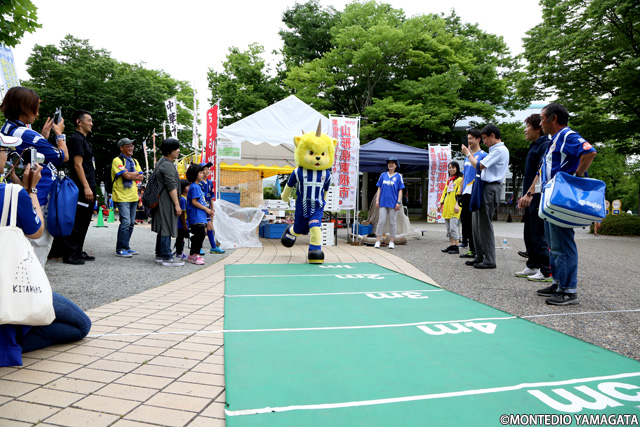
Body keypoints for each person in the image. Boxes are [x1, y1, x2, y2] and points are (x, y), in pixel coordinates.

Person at [0, 134, 91, 367]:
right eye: (4, 151)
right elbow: (37, 230)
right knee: (81, 325)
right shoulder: (11, 194)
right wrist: (31, 190)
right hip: (11, 283)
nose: (8, 157)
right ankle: (12, 343)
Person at [520, 103, 597, 305]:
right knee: (553, 244)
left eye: (542, 118)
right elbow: (542, 170)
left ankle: (568, 290)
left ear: (553, 118)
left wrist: (576, 176)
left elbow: (589, 151)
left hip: (561, 199)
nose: (540, 123)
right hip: (551, 199)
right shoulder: (554, 140)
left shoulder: (567, 135)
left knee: (563, 243)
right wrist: (531, 192)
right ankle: (558, 283)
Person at [0, 86, 68, 266]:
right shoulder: (27, 134)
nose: (37, 114)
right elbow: (62, 156)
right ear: (25, 108)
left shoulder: (6, 129)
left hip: (17, 190)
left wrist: (42, 137)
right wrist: (60, 134)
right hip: (37, 193)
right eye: (35, 108)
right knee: (38, 246)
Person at [461, 124, 510, 269]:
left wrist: (468, 154)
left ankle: (489, 259)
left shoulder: (500, 150)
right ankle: (479, 256)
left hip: (490, 187)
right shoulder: (494, 151)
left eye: (484, 138)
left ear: (492, 136)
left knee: (484, 226)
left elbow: (479, 166)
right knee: (476, 225)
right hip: (483, 186)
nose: (484, 141)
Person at [515, 114, 552, 282]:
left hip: (538, 195)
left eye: (528, 126)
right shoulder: (535, 145)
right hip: (530, 196)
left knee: (538, 233)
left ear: (538, 129)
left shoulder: (545, 145)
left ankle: (546, 270)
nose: (525, 130)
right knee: (529, 233)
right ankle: (533, 265)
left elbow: (542, 171)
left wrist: (530, 193)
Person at [62, 110, 96, 265]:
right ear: (79, 122)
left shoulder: (84, 140)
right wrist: (86, 186)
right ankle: (70, 253)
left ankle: (78, 251)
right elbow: (77, 165)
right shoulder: (76, 139)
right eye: (89, 120)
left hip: (89, 184)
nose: (91, 123)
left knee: (85, 220)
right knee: (78, 220)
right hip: (82, 186)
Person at [152, 138, 184, 267]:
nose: (178, 151)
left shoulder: (161, 162)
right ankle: (167, 257)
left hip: (161, 199)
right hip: (166, 200)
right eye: (176, 148)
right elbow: (171, 186)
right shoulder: (167, 165)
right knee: (166, 226)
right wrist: (177, 204)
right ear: (169, 151)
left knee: (162, 226)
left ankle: (160, 255)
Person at [111, 138, 143, 258]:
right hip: (121, 196)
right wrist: (132, 174)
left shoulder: (134, 161)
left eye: (132, 146)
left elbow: (141, 177)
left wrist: (129, 174)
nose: (131, 148)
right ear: (121, 148)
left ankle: (126, 246)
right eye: (128, 146)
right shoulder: (117, 160)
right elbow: (125, 175)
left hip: (134, 196)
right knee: (125, 222)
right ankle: (120, 248)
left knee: (131, 224)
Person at [459, 129, 487, 259]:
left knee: (475, 222)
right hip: (465, 193)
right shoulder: (467, 157)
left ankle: (478, 250)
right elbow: (464, 175)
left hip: (475, 192)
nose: (469, 141)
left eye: (471, 138)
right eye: (468, 138)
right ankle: (471, 249)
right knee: (466, 222)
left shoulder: (483, 155)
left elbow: (481, 170)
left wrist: (469, 154)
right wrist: (460, 193)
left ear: (478, 139)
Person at [373, 157, 404, 249]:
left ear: (396, 165)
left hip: (394, 203)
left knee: (393, 223)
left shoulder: (399, 176)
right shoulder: (383, 175)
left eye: (392, 163)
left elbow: (400, 190)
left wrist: (398, 202)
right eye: (389, 163)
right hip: (383, 202)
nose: (390, 165)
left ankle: (391, 242)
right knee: (381, 221)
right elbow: (379, 188)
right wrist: (377, 200)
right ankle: (377, 241)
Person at [199, 162, 225, 254]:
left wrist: (212, 209)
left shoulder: (210, 182)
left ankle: (213, 247)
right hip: (201, 208)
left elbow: (211, 197)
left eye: (208, 169)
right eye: (205, 169)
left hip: (208, 208)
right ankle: (199, 247)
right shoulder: (199, 183)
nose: (207, 171)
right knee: (201, 228)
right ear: (200, 171)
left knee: (210, 227)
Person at [438, 161, 463, 254]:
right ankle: (451, 245)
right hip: (447, 207)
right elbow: (444, 192)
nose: (451, 169)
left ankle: (456, 246)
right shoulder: (449, 180)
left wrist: (457, 204)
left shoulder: (460, 180)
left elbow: (460, 194)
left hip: (455, 207)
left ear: (457, 168)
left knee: (453, 228)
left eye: (453, 167)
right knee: (449, 229)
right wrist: (440, 203)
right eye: (449, 168)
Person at [186, 164, 209, 265]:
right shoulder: (195, 187)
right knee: (200, 235)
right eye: (200, 172)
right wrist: (206, 209)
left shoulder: (197, 186)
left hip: (199, 216)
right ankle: (196, 255)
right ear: (195, 175)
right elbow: (194, 202)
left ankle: (192, 255)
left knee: (198, 236)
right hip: (196, 216)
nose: (202, 174)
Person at [175, 179, 190, 260]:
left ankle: (180, 252)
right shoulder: (183, 199)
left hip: (181, 223)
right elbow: (183, 213)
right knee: (180, 238)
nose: (189, 188)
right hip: (181, 223)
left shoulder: (183, 198)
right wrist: (184, 224)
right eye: (187, 186)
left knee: (181, 238)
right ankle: (179, 253)